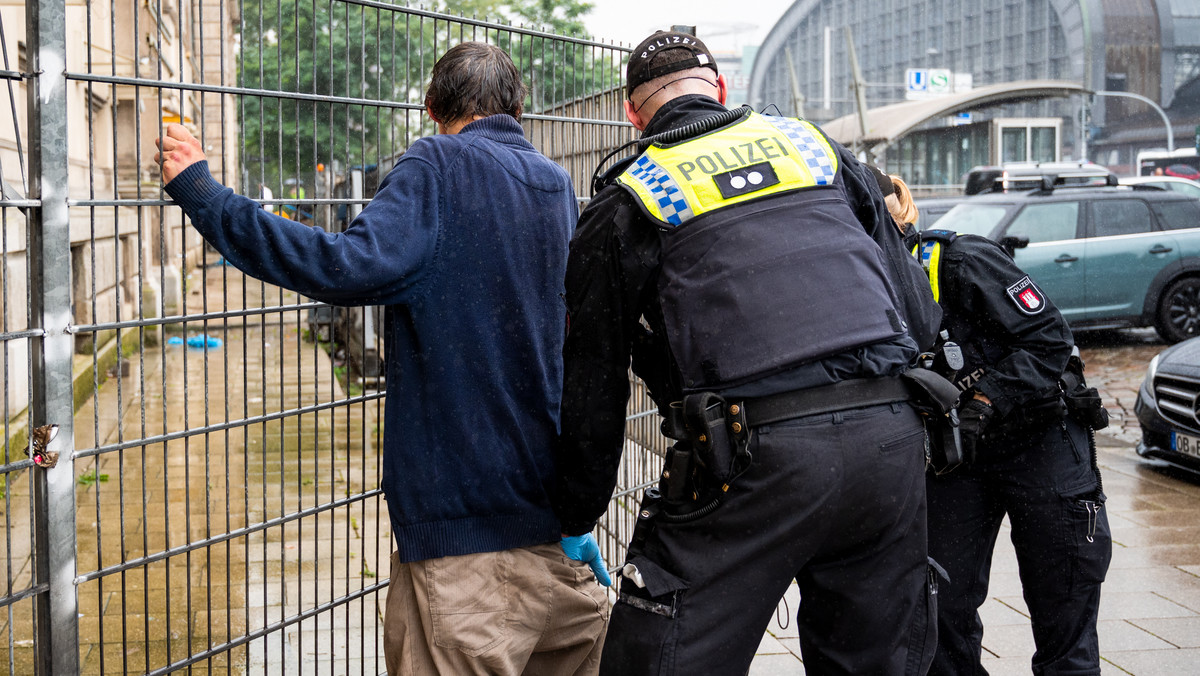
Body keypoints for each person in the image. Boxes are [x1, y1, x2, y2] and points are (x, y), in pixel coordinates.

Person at [154, 41, 609, 676]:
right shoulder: (554, 183)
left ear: (431, 107)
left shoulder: (438, 163)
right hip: (557, 542)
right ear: (518, 105)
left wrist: (205, 195)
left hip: (464, 553)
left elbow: (341, 266)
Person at [554, 29, 944, 676]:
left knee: (662, 658)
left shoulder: (630, 196)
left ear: (632, 111)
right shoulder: (817, 149)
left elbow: (594, 383)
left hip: (755, 456)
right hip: (890, 445)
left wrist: (575, 514)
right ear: (722, 90)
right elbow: (915, 317)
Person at [879, 168, 1112, 676]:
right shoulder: (856, 287)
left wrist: (986, 397)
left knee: (1064, 602)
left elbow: (1050, 339)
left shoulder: (961, 260)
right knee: (941, 604)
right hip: (957, 458)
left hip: (1041, 439)